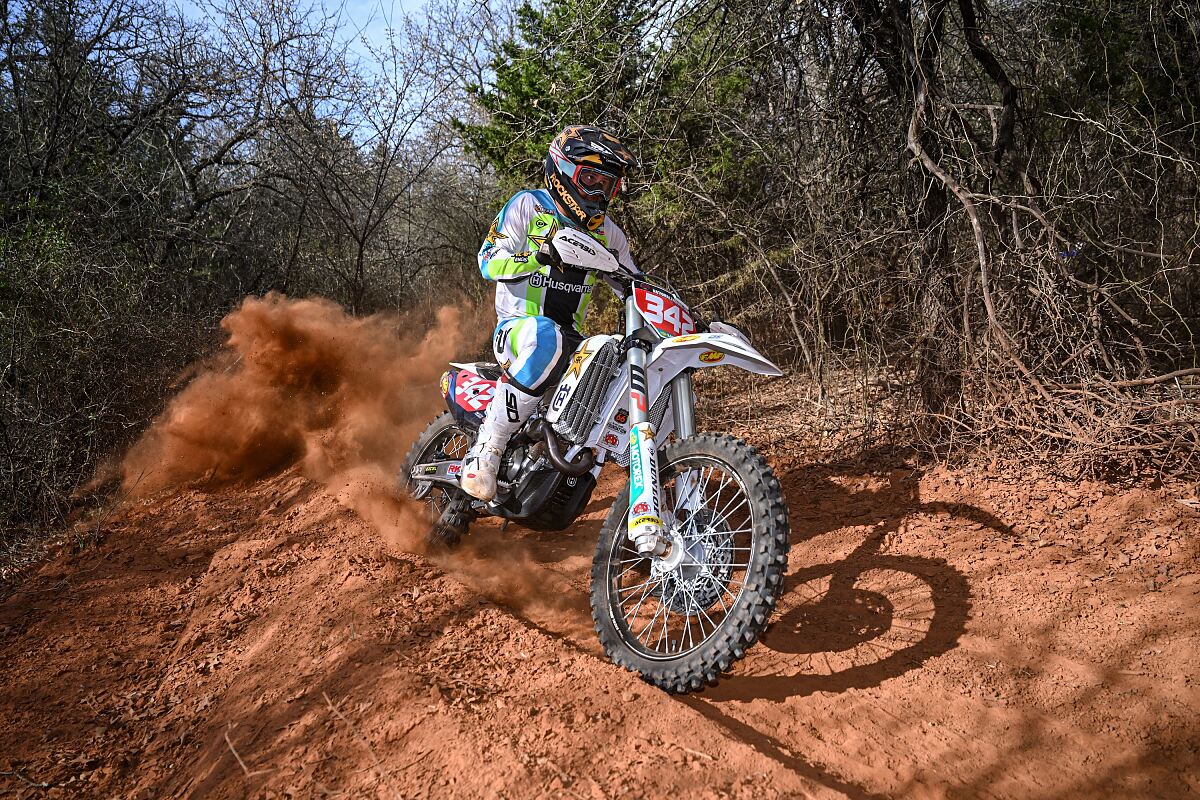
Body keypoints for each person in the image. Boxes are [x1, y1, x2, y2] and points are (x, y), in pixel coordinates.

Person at [461, 125, 639, 501]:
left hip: (573, 343)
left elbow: (634, 287)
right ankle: (486, 450)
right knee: (547, 337)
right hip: (517, 332)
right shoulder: (529, 205)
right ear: (563, 171)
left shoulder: (611, 235)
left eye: (605, 184)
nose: (596, 191)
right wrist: (537, 257)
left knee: (617, 360)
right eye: (589, 178)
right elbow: (487, 260)